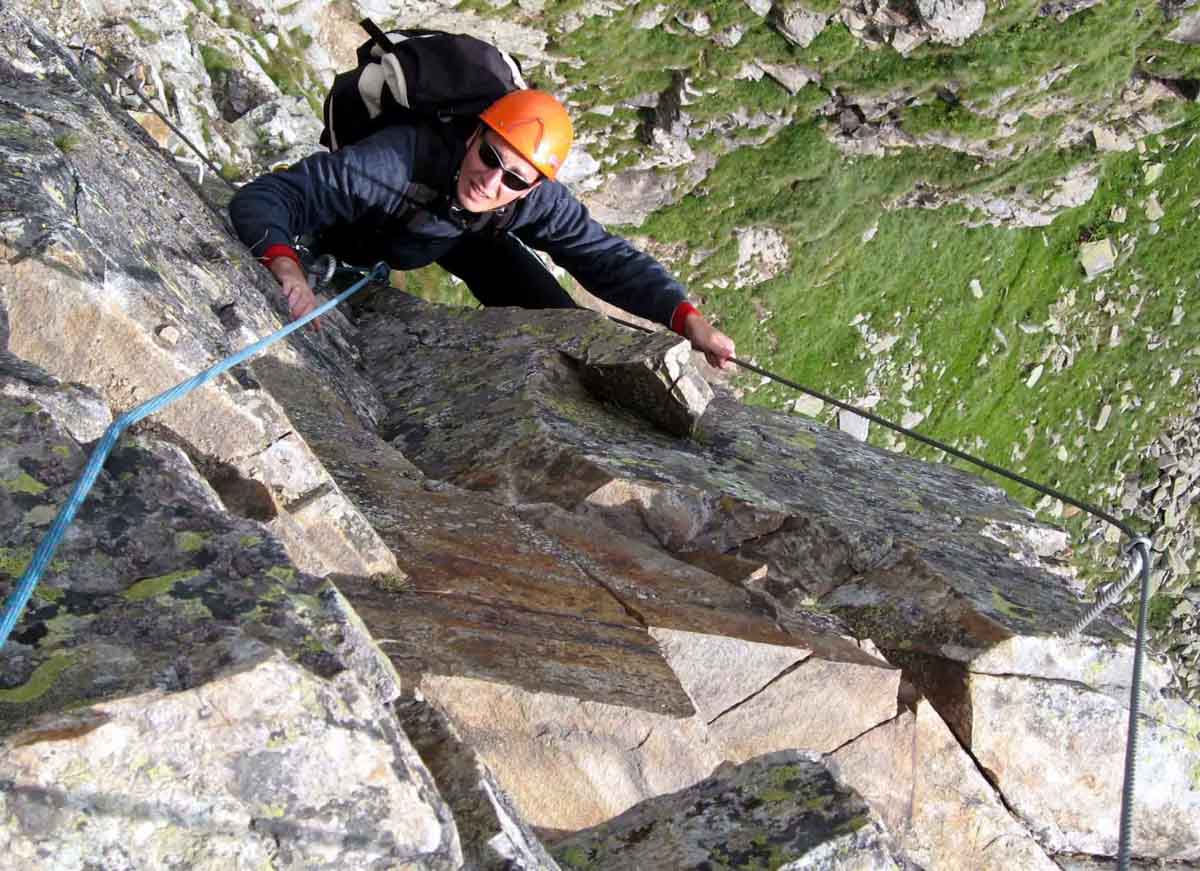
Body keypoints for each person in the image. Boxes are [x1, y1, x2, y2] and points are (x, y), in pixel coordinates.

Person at [229, 88, 735, 368]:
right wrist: (288, 268)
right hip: (359, 230)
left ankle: (584, 381)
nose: (492, 179)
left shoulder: (535, 199)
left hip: (450, 235)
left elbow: (603, 258)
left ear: (533, 187)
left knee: (565, 324)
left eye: (513, 177)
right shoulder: (396, 161)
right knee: (453, 231)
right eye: (489, 155)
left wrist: (687, 319)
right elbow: (269, 196)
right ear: (474, 135)